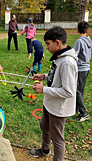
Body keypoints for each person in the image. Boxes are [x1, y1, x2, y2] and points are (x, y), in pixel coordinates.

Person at [29, 26, 78, 161]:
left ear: (57, 42)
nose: (47, 48)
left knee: (57, 139)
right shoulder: (59, 57)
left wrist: (44, 89)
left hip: (59, 107)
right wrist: (44, 76)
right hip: (49, 103)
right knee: (44, 128)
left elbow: (68, 91)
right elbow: (57, 75)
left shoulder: (67, 62)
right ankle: (45, 150)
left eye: (48, 44)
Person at [73, 21, 92, 122]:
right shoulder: (89, 41)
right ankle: (77, 109)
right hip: (86, 68)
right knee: (80, 90)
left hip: (80, 69)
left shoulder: (79, 41)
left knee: (77, 91)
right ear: (88, 31)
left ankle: (84, 113)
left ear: (77, 30)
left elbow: (74, 55)